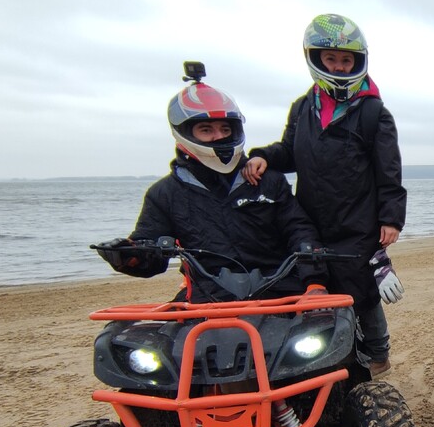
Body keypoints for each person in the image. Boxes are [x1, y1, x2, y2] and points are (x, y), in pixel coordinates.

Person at [242, 13, 407, 376]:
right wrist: (263, 157)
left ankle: (378, 353)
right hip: (311, 219)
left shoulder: (374, 112)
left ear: (358, 61)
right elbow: (289, 152)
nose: (339, 66)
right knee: (316, 286)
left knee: (362, 291)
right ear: (316, 59)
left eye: (346, 59)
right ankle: (327, 354)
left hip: (358, 221)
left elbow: (389, 170)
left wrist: (391, 218)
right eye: (331, 59)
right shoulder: (303, 108)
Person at [96, 72, 324, 305]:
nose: (219, 137)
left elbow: (299, 230)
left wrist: (314, 281)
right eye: (206, 130)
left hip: (280, 290)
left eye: (225, 129)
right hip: (207, 297)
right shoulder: (165, 193)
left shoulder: (268, 181)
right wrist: (127, 256)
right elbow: (151, 253)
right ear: (185, 133)